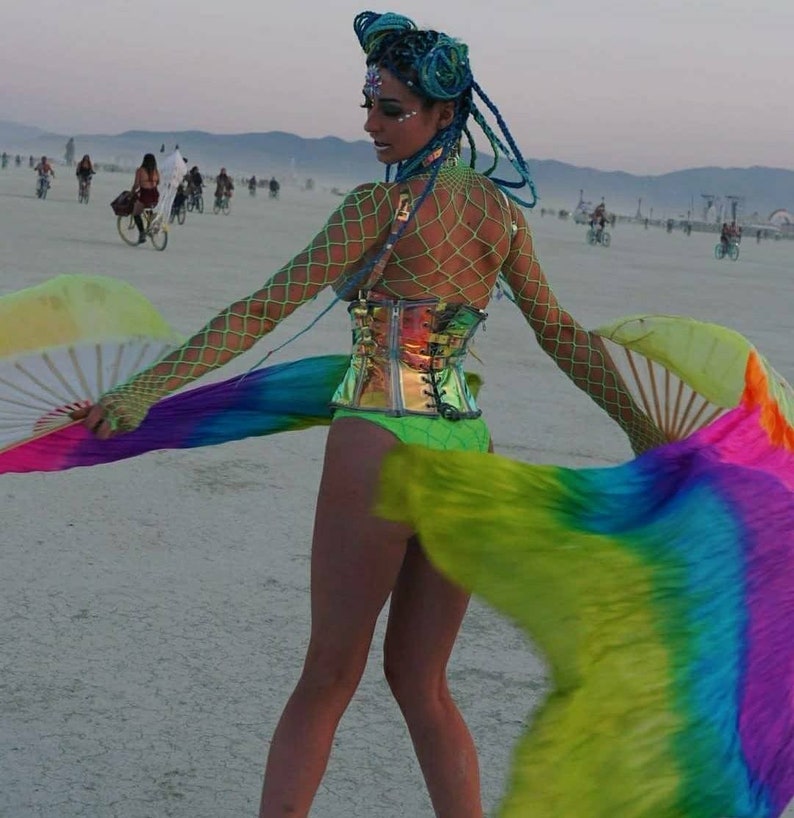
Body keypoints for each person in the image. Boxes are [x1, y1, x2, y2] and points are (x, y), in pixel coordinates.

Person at [77, 11, 664, 817]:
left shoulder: (373, 210)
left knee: (328, 677)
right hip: (467, 447)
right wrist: (639, 424)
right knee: (423, 683)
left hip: (379, 441)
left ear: (444, 115)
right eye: (369, 105)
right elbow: (560, 332)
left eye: (390, 109)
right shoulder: (499, 215)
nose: (369, 125)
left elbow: (261, 311)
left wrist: (147, 387)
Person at [131, 153, 160, 244]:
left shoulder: (140, 170)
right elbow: (158, 182)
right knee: (149, 208)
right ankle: (150, 228)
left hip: (145, 195)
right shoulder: (155, 171)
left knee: (136, 213)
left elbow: (136, 185)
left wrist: (132, 191)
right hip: (155, 194)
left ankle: (142, 233)